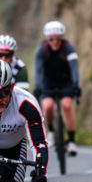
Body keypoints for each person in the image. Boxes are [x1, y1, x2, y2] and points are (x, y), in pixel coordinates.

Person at [33, 20, 82, 155]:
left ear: (62, 38)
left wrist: (76, 85)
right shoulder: (42, 50)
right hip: (48, 82)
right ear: (47, 38)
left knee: (66, 106)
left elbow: (74, 69)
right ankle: (52, 132)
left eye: (57, 39)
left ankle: (71, 141)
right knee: (47, 106)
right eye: (51, 39)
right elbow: (37, 71)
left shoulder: (68, 48)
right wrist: (37, 87)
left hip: (65, 81)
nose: (54, 41)